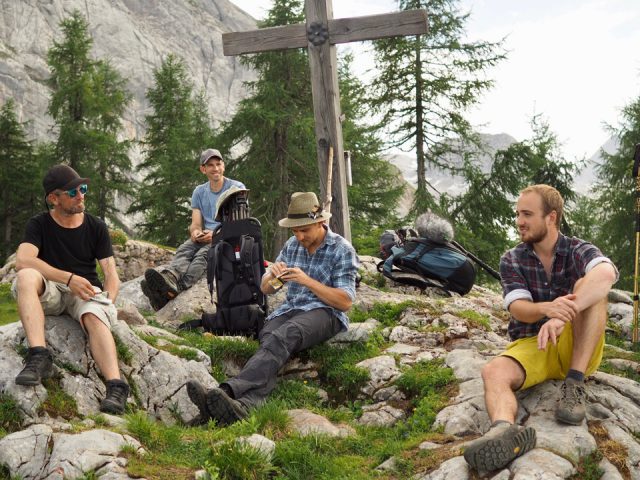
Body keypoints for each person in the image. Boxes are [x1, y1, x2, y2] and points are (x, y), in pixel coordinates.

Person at [464, 184, 618, 474]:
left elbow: (606, 273)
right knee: (493, 372)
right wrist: (546, 309)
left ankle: (574, 383)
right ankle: (504, 432)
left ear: (551, 217)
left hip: (577, 345)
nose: (519, 221)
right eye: (518, 214)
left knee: (590, 287)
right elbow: (518, 307)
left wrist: (562, 316)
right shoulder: (512, 258)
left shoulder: (577, 249)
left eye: (527, 214)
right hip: (535, 342)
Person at [185, 192, 359, 425]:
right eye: (294, 230)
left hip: (326, 312)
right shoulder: (292, 245)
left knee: (287, 333)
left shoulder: (342, 249)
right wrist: (274, 277)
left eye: (304, 230)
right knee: (269, 336)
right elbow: (266, 289)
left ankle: (227, 391)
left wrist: (306, 280)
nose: (298, 236)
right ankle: (244, 406)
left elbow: (346, 301)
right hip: (290, 309)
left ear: (320, 223)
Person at [13, 164, 130, 414]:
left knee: (94, 314)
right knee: (25, 277)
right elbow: (22, 260)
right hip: (53, 289)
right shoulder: (39, 224)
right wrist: (68, 279)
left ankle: (116, 387)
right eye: (73, 192)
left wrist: (107, 302)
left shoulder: (95, 226)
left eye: (83, 189)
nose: (81, 195)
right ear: (53, 198)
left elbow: (110, 274)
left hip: (85, 291)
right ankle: (38, 355)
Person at [141, 148, 245, 310]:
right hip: (207, 236)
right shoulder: (199, 191)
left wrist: (217, 234)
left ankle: (178, 287)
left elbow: (239, 222)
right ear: (203, 169)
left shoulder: (236, 187)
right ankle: (171, 277)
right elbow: (195, 224)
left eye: (219, 164)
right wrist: (195, 233)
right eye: (210, 165)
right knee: (185, 248)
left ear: (223, 165)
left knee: (202, 255)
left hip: (227, 238)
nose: (216, 168)